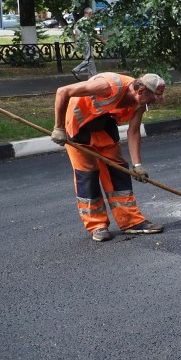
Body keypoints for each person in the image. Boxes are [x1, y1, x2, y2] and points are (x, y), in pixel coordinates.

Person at [50, 72, 167, 242]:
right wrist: (58, 127)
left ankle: (131, 222)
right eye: (153, 98)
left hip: (105, 127)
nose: (154, 102)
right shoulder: (108, 86)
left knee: (119, 171)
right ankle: (97, 225)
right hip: (78, 128)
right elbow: (63, 91)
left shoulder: (139, 102)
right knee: (88, 175)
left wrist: (138, 164)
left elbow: (133, 131)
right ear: (141, 90)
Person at [71, 7, 97, 80]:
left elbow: (75, 33)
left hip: (82, 43)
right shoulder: (86, 22)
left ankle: (93, 76)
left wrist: (77, 43)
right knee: (89, 59)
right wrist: (102, 40)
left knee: (89, 59)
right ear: (87, 13)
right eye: (91, 14)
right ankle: (77, 70)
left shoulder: (80, 21)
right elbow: (92, 34)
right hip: (87, 42)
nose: (92, 15)